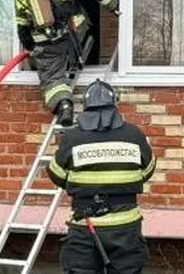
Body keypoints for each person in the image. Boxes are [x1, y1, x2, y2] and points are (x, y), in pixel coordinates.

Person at [46, 79, 156, 274]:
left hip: (85, 229)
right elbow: (147, 170)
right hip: (126, 230)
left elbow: (56, 174)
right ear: (114, 104)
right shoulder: (134, 135)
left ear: (86, 107)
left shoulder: (72, 138)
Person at [12, 0, 120, 126]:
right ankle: (84, 56)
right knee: (83, 25)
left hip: (46, 43)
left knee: (52, 77)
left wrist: (31, 48)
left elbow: (22, 26)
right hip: (75, 31)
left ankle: (64, 105)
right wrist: (114, 5)